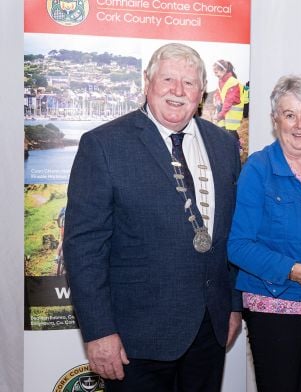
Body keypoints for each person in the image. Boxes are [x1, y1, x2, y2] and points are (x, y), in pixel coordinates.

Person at [63, 43, 243, 391]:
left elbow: (230, 233)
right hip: (135, 338)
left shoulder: (223, 144)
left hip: (209, 330)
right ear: (147, 82)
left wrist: (234, 305)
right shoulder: (104, 145)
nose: (178, 91)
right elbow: (84, 248)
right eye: (168, 79)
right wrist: (99, 331)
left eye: (189, 83)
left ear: (201, 93)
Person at [227, 74, 301, 391]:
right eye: (289, 114)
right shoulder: (257, 168)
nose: (299, 124)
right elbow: (238, 246)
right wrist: (292, 271)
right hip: (274, 301)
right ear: (274, 119)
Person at [212, 59, 244, 133]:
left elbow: (228, 101)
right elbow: (219, 92)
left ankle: (237, 144)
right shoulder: (220, 81)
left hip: (231, 114)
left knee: (232, 133)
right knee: (223, 132)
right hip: (224, 112)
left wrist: (220, 115)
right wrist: (217, 99)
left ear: (224, 70)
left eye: (216, 72)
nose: (215, 75)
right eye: (214, 73)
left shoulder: (233, 82)